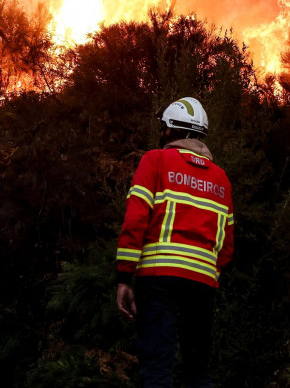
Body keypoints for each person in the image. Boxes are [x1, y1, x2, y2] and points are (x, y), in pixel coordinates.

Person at [115, 97, 234, 388]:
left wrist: (124, 277)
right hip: (203, 285)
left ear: (170, 130)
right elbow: (227, 245)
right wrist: (207, 272)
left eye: (164, 127)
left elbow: (135, 221)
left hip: (158, 280)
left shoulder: (154, 160)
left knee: (157, 370)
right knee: (198, 371)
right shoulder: (221, 180)